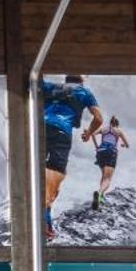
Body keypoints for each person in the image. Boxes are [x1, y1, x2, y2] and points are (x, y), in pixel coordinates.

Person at [39, 74, 103, 239]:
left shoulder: (51, 87)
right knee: (53, 178)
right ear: (81, 81)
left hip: (40, 130)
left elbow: (33, 83)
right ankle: (45, 224)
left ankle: (40, 218)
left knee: (36, 173)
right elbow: (98, 118)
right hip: (61, 133)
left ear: (66, 80)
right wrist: (88, 134)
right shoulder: (84, 92)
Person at [92, 117, 130, 208]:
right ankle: (100, 193)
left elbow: (92, 134)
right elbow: (127, 145)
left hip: (101, 152)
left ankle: (100, 197)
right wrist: (123, 145)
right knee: (108, 178)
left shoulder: (103, 129)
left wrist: (97, 146)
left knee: (103, 175)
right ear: (117, 124)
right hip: (111, 152)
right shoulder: (118, 130)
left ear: (110, 123)